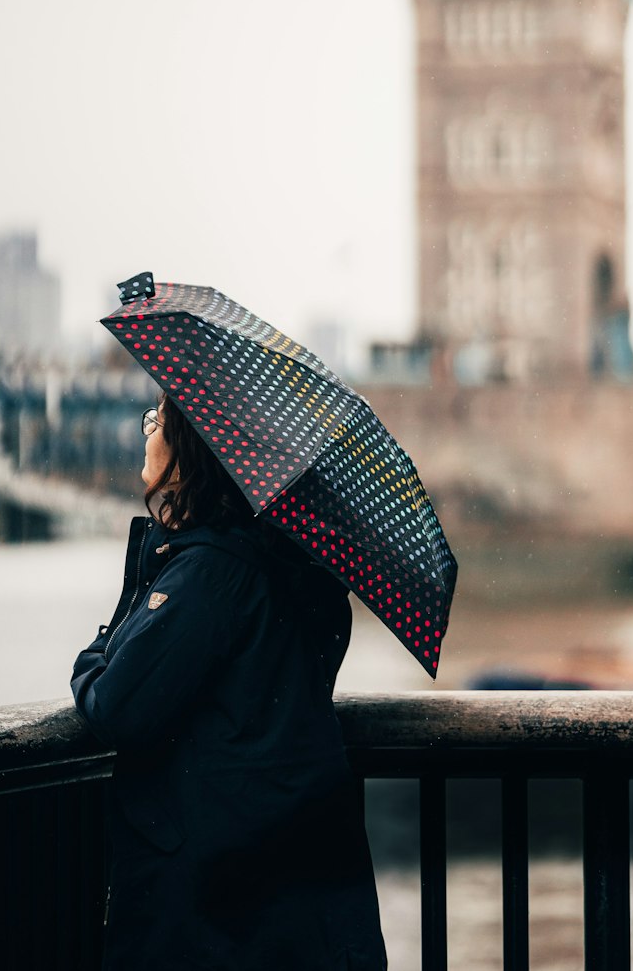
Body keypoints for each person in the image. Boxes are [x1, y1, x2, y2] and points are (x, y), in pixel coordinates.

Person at [71, 393, 388, 971]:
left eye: (157, 421)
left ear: (190, 448)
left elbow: (116, 703)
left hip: (213, 908)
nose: (148, 432)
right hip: (287, 895)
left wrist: (96, 654)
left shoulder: (212, 573)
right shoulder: (293, 568)